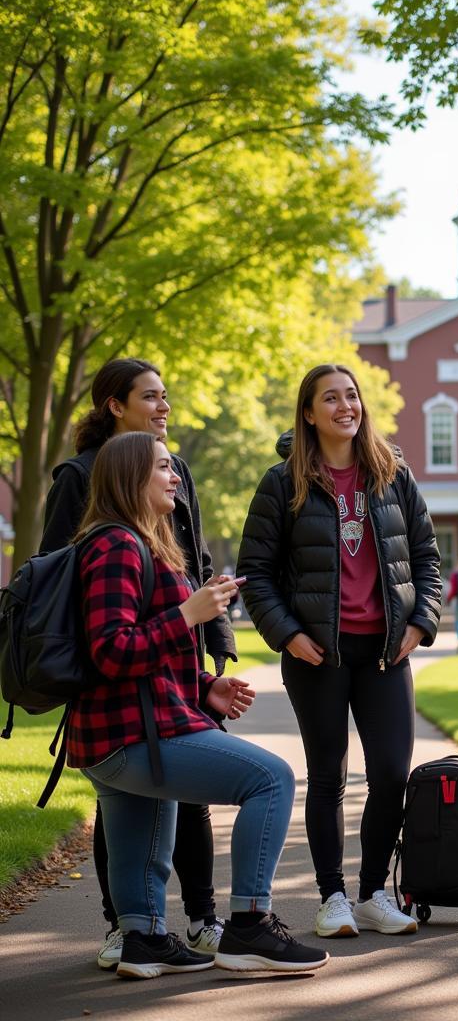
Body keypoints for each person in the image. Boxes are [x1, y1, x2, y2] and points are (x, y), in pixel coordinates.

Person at [72, 431, 326, 978]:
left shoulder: (137, 541)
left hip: (129, 730)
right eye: (163, 467)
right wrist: (188, 614)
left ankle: (143, 939)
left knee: (145, 827)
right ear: (130, 477)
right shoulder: (115, 545)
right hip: (135, 734)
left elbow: (145, 656)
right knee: (272, 779)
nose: (175, 476)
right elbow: (112, 650)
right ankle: (250, 926)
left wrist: (203, 684)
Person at [39, 358, 237, 970]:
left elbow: (193, 560)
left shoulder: (176, 472)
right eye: (149, 396)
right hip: (116, 665)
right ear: (114, 406)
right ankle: (125, 928)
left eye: (166, 395)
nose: (163, 406)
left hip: (179, 653)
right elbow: (57, 572)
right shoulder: (79, 477)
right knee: (125, 797)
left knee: (188, 798)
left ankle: (202, 920)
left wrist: (216, 634)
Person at [237, 363, 442, 940]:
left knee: (392, 774)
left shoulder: (392, 475)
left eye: (351, 395)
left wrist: (419, 624)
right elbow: (255, 572)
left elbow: (427, 558)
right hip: (317, 656)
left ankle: (375, 892)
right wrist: (288, 635)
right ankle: (333, 897)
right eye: (331, 398)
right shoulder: (283, 482)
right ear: (309, 413)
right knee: (328, 778)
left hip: (386, 652)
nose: (344, 406)